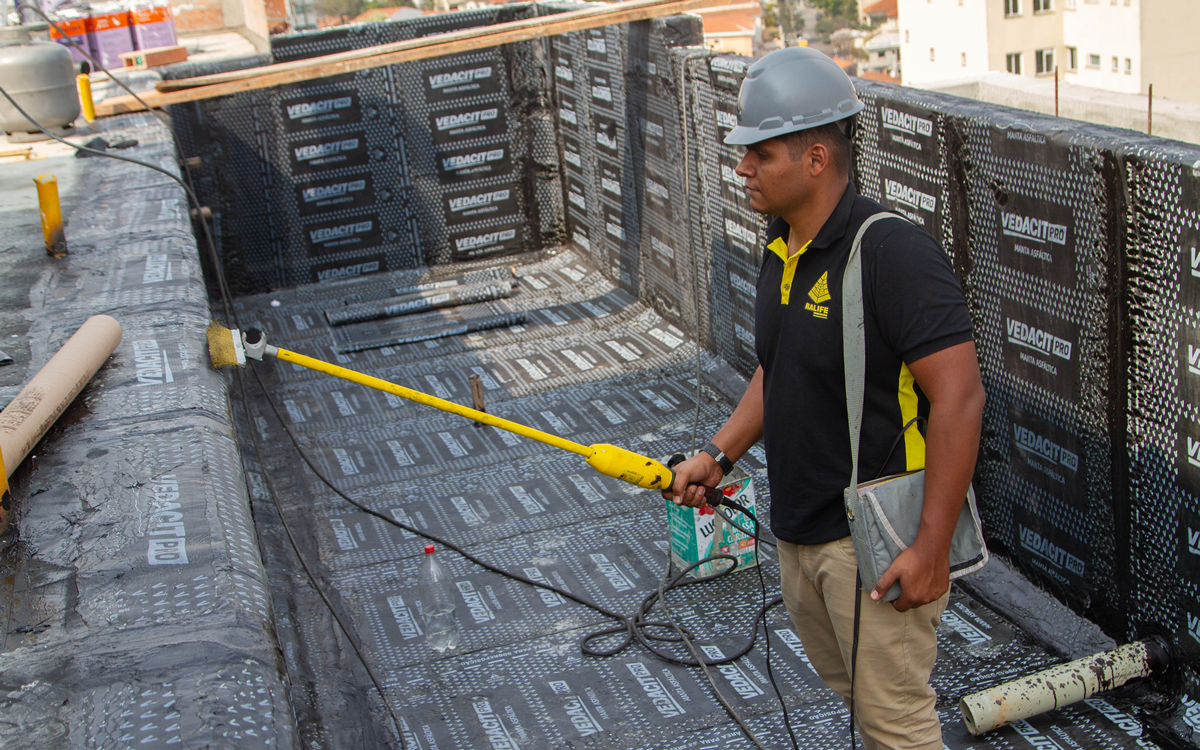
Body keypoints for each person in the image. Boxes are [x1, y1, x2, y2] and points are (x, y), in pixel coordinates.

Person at [664, 47, 985, 750]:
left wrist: (931, 547)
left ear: (815, 159)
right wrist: (718, 454)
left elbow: (960, 399)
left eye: (761, 152)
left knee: (897, 723)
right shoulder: (782, 248)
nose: (743, 167)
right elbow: (774, 371)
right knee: (865, 707)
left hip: (871, 543)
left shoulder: (892, 253)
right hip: (799, 532)